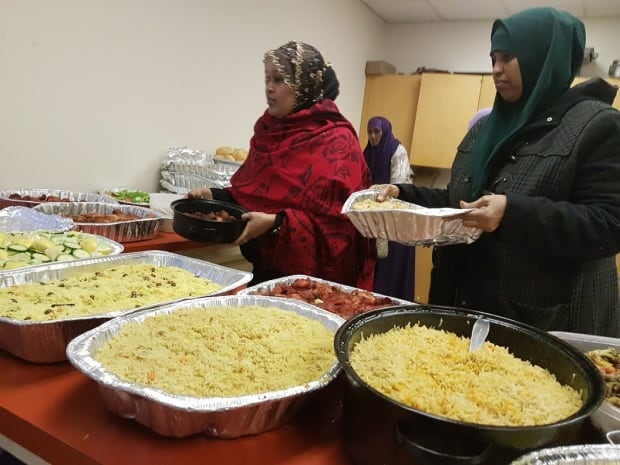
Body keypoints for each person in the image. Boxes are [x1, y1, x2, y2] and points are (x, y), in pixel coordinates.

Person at [372, 7, 620, 336]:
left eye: (508, 58)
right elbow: (461, 201)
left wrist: (512, 214)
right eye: (493, 59)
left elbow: (608, 224)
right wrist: (403, 194)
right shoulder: (486, 128)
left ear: (543, 58)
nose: (496, 70)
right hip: (463, 305)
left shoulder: (596, 124)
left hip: (536, 324)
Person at [188, 41, 375, 289]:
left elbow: (342, 230)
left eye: (279, 79)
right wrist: (215, 196)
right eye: (267, 78)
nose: (269, 88)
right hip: (265, 272)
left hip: (318, 288)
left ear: (304, 86)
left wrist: (277, 224)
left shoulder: (337, 141)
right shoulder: (269, 131)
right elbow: (256, 192)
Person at [363, 116, 415, 301]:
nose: (373, 136)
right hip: (372, 220)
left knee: (389, 275)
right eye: (370, 132)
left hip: (393, 223)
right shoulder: (367, 153)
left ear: (385, 132)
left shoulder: (397, 151)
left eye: (377, 131)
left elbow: (400, 188)